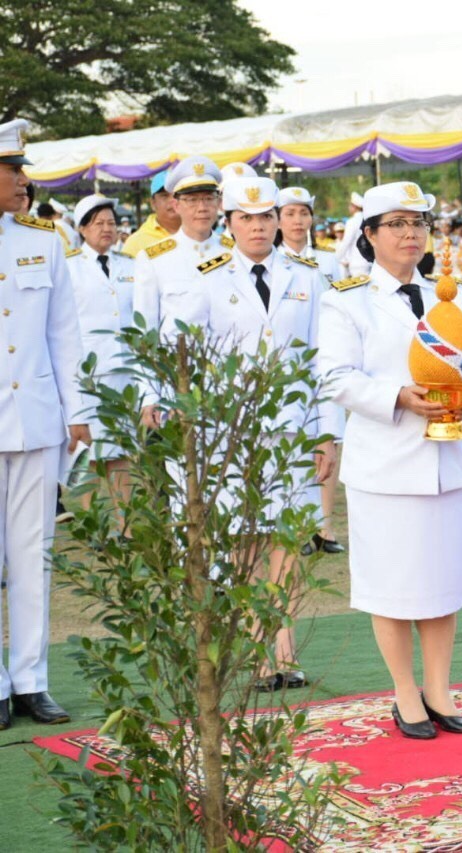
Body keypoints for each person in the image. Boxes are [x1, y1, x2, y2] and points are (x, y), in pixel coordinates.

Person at [317, 181, 462, 739]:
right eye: (396, 224)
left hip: (448, 457)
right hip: (386, 464)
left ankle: (439, 690)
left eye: (418, 223)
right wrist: (397, 396)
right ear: (369, 234)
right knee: (391, 586)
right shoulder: (345, 298)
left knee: (442, 582)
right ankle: (403, 692)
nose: (410, 233)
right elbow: (335, 376)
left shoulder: (452, 294)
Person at [196, 178, 337, 689]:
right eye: (245, 218)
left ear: (278, 220)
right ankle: (259, 653)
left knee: (288, 540)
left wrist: (327, 432)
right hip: (233, 431)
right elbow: (186, 350)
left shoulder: (308, 276)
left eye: (265, 217)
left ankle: (285, 650)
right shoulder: (208, 277)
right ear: (229, 222)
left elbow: (324, 358)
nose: (257, 227)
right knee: (246, 542)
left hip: (294, 429)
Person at [0, 119, 91, 729]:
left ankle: (31, 680)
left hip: (34, 419)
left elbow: (64, 331)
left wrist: (77, 409)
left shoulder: (43, 239)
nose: (23, 182)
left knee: (34, 554)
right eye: (12, 171)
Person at [275, 185, 345, 555]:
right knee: (293, 446)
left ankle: (325, 527)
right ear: (277, 220)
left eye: (304, 213)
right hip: (290, 366)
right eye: (290, 213)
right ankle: (298, 527)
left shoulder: (329, 262)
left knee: (330, 439)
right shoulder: (273, 262)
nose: (298, 220)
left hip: (328, 362)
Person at [65, 194, 136, 511]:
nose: (107, 229)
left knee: (122, 455)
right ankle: (92, 525)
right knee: (90, 456)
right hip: (88, 377)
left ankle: (125, 527)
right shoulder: (69, 268)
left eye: (111, 222)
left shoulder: (130, 265)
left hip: (125, 375)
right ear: (82, 229)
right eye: (98, 223)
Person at [132, 156, 233, 343]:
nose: (202, 208)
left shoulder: (236, 252)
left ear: (219, 203)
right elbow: (145, 329)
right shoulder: (153, 260)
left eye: (208, 199)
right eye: (192, 200)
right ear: (176, 205)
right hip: (179, 360)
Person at [122, 171, 181, 258]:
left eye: (176, 195)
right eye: (165, 196)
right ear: (153, 203)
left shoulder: (199, 232)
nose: (172, 200)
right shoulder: (136, 242)